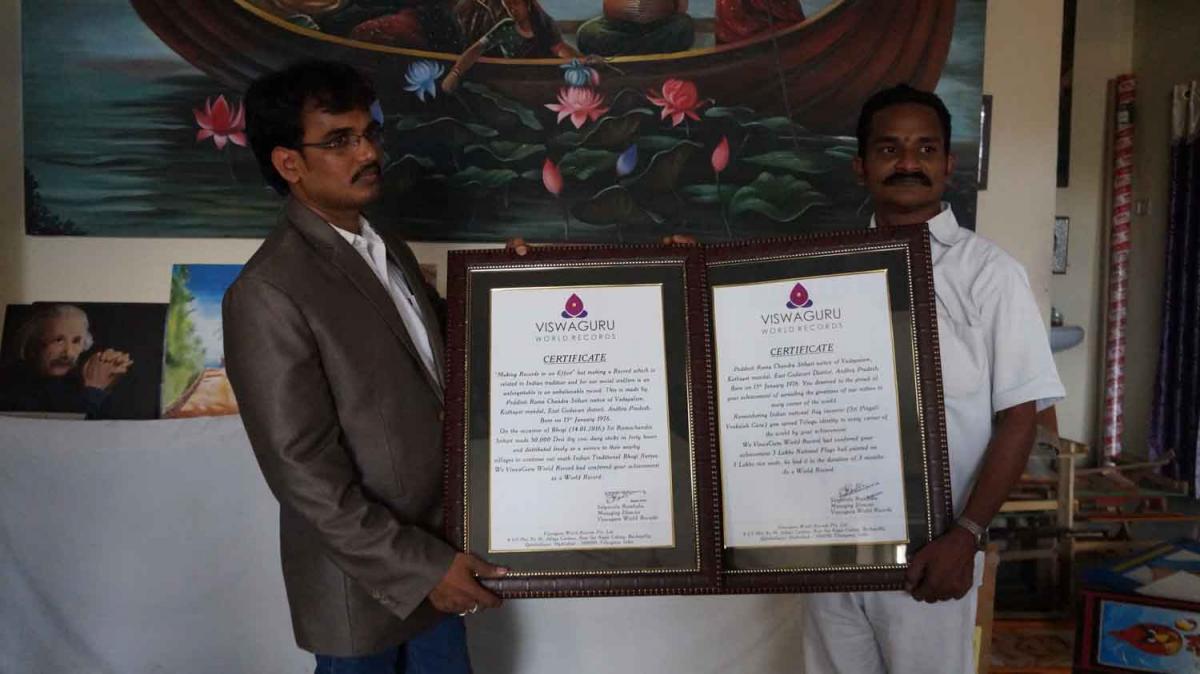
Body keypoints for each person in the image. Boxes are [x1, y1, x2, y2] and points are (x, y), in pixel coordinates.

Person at [224, 60, 505, 673]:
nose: (368, 152)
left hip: (440, 555)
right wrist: (421, 568)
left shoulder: (387, 248)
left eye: (369, 133)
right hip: (366, 588)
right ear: (288, 163)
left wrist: (523, 285)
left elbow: (449, 359)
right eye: (339, 140)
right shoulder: (268, 291)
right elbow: (304, 474)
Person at [801, 84, 1065, 673]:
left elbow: (1019, 417)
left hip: (934, 552)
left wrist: (966, 535)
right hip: (829, 546)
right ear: (861, 165)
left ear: (948, 164)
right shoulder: (826, 270)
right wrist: (692, 276)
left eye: (925, 149)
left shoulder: (989, 274)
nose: (908, 163)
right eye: (889, 149)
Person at [0, 304, 132, 418]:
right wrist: (94, 390)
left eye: (76, 341)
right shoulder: (12, 386)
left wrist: (107, 377)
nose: (68, 353)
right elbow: (68, 430)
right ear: (34, 344)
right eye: (58, 340)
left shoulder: (73, 380)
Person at [443, 0, 582, 92]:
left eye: (515, 4)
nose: (512, 10)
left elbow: (560, 49)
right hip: (514, 82)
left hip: (542, 81)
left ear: (527, 4)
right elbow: (477, 49)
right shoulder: (505, 27)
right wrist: (456, 73)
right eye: (508, 6)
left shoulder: (544, 25)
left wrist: (582, 62)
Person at [575, 0, 694, 56]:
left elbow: (681, 9)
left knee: (684, 24)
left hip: (657, 28)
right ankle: (648, 52)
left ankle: (628, 52)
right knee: (587, 33)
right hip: (619, 29)